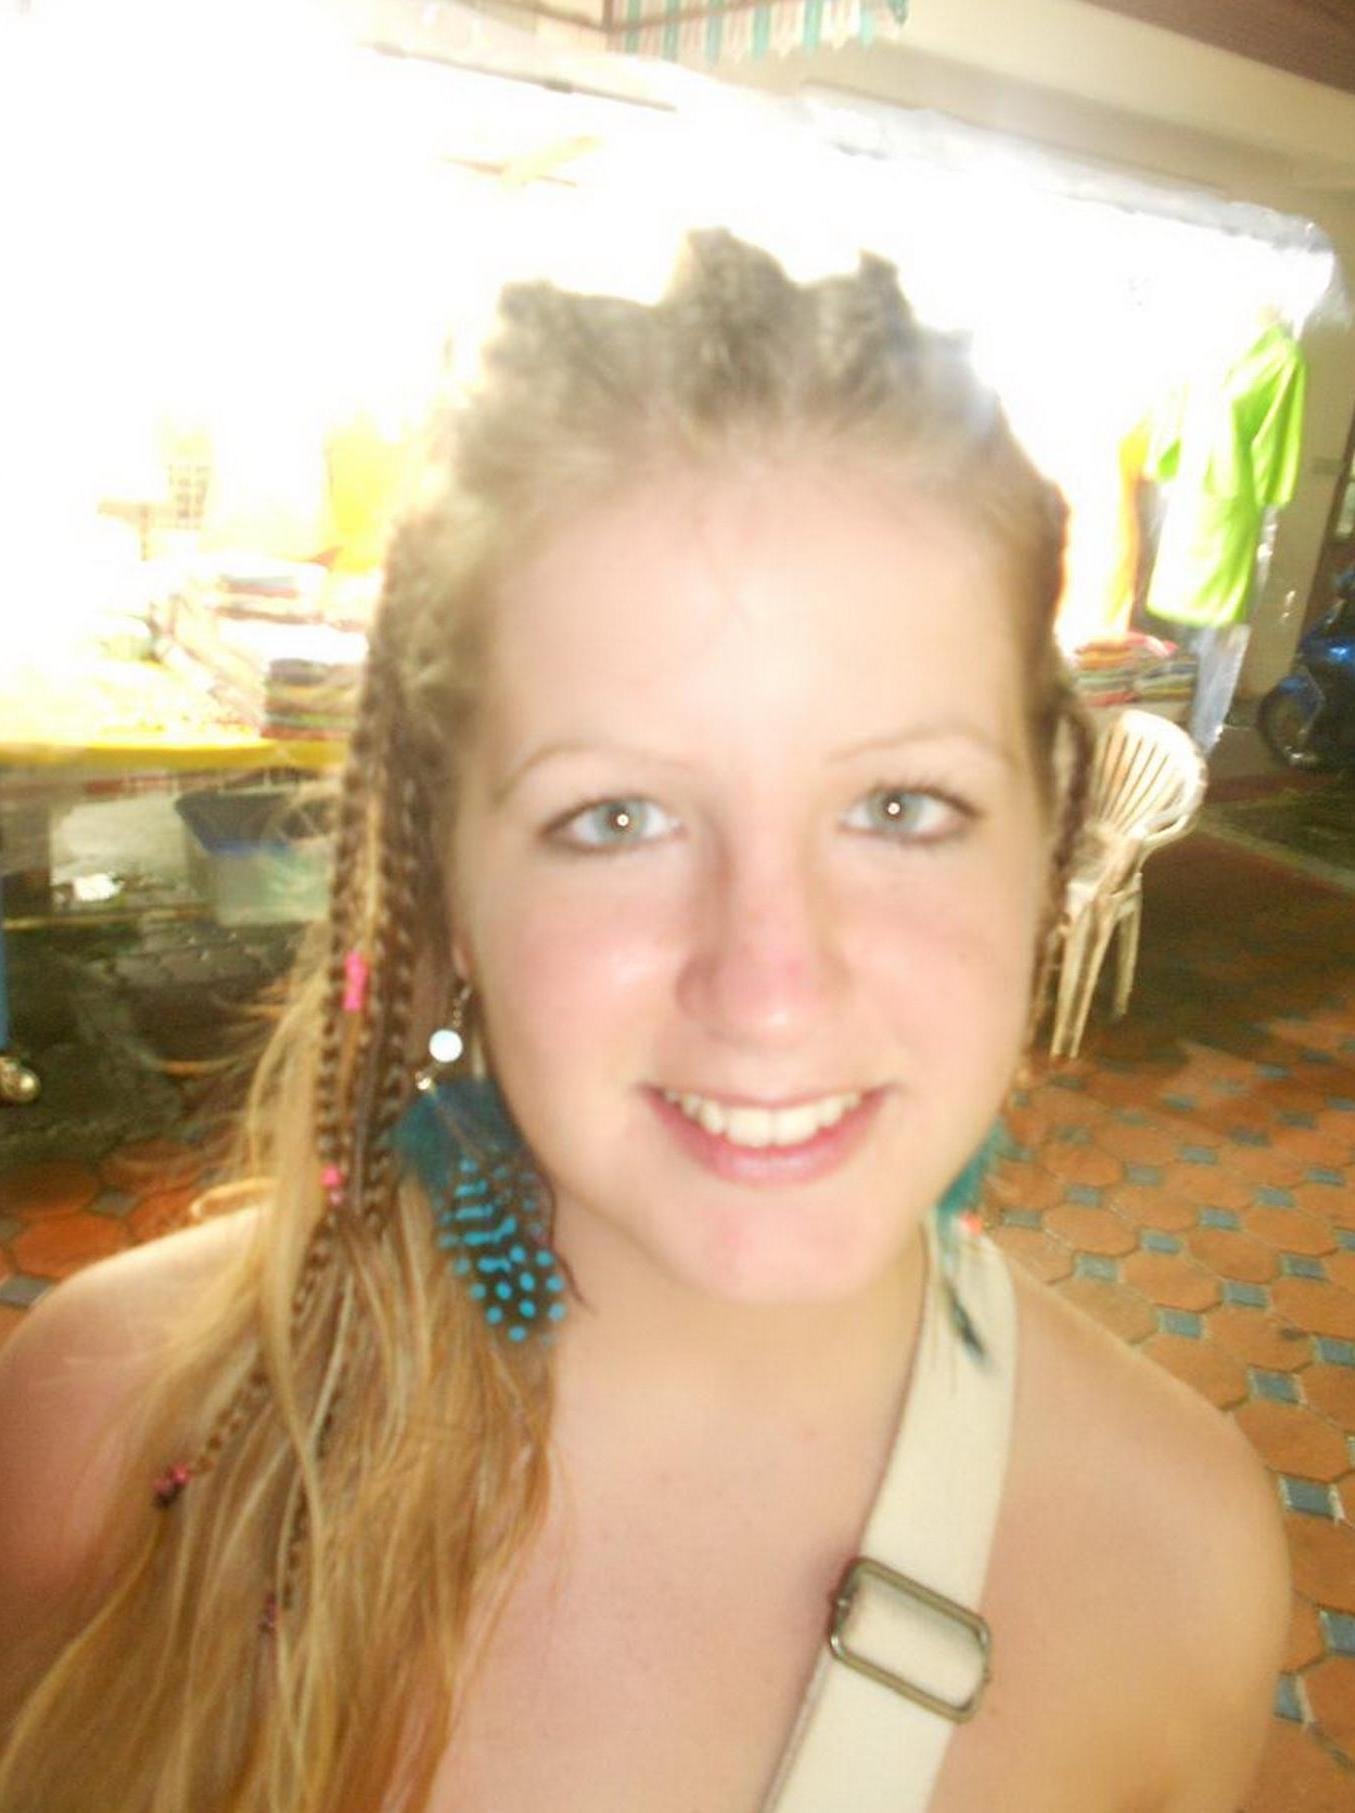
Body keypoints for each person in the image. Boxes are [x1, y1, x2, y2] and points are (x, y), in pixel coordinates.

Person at [0, 232, 1288, 1812]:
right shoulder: (106, 1433)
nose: (770, 983)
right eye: (615, 816)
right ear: (446, 881)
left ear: (1048, 845)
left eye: (901, 803)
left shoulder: (1181, 1569)